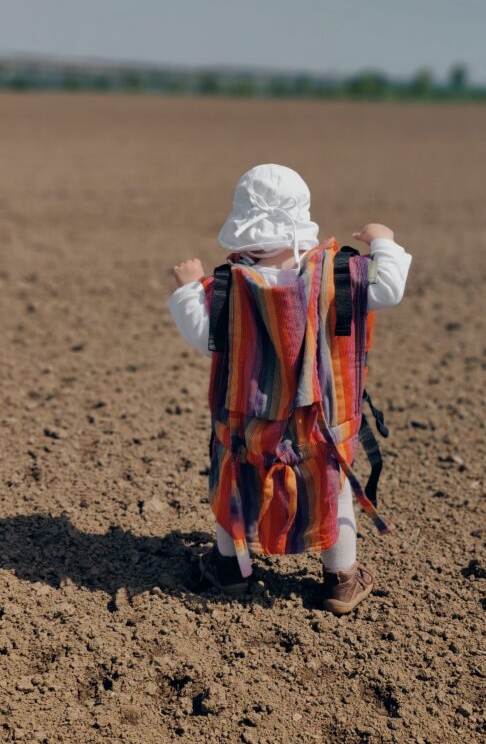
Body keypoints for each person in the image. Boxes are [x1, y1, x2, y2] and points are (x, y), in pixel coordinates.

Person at [167, 164, 412, 614]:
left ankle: (230, 571)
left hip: (247, 418)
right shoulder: (339, 273)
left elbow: (205, 338)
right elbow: (391, 287)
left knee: (236, 484)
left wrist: (187, 290)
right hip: (322, 418)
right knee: (330, 485)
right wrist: (384, 240)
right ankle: (342, 580)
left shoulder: (227, 285)